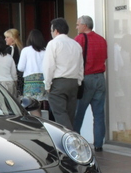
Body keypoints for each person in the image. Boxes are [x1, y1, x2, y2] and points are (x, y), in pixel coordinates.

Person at [74, 15, 108, 151]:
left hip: (86, 78)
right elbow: (104, 57)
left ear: (84, 25)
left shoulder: (80, 39)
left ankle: (75, 143)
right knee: (99, 114)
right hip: (100, 78)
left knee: (78, 113)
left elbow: (75, 58)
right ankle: (98, 144)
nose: (77, 27)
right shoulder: (102, 40)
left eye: (78, 24)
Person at [42, 17, 84, 129]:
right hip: (74, 82)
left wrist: (47, 84)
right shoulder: (76, 44)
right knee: (70, 115)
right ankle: (71, 140)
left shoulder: (53, 43)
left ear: (56, 31)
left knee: (60, 115)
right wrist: (79, 82)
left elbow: (49, 66)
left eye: (51, 31)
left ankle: (70, 140)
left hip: (58, 83)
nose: (51, 33)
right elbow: (81, 66)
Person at [17, 29, 47, 117]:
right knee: (39, 105)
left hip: (30, 82)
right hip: (43, 81)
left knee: (32, 106)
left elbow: (20, 68)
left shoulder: (26, 50)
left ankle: (38, 125)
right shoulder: (45, 51)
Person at [5, 28, 23, 95]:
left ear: (13, 38)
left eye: (7, 37)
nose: (5, 39)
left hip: (13, 75)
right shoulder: (21, 48)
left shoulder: (9, 49)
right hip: (21, 76)